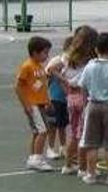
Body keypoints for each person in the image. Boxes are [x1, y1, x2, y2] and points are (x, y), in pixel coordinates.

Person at [76, 32, 108, 185]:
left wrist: (86, 105)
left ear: (96, 49)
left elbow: (83, 87)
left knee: (91, 143)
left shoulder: (89, 67)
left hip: (92, 105)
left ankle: (90, 174)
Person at [48, 25, 98, 175]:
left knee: (74, 132)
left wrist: (65, 82)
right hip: (84, 99)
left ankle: (68, 165)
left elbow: (51, 69)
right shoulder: (91, 61)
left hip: (71, 99)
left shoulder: (67, 57)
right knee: (83, 135)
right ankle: (83, 168)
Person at [15, 36, 54, 172]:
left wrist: (48, 101)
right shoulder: (27, 66)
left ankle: (33, 157)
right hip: (33, 104)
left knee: (37, 132)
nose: (47, 56)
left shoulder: (39, 67)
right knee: (43, 131)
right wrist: (26, 105)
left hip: (41, 104)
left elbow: (41, 86)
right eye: (45, 53)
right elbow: (18, 86)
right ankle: (37, 159)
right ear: (35, 52)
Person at [44, 36, 72, 161]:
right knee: (53, 125)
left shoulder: (72, 62)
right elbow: (49, 71)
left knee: (62, 124)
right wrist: (62, 79)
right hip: (54, 97)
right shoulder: (59, 60)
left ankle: (63, 146)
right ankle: (50, 148)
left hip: (65, 99)